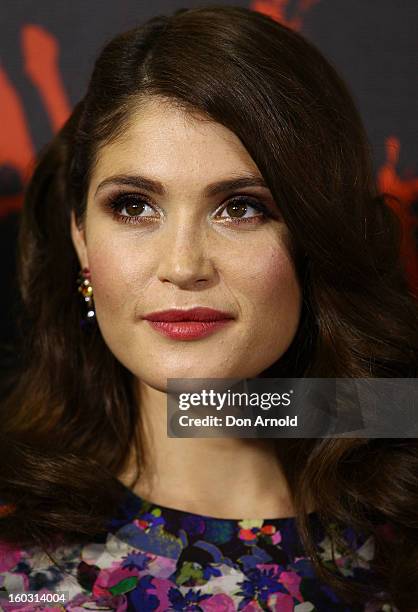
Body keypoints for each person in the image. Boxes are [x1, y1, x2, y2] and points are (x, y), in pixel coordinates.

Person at [0, 5, 417, 611]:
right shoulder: (18, 559)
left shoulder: (398, 507)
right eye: (134, 206)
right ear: (81, 239)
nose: (184, 264)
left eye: (242, 208)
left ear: (318, 239)